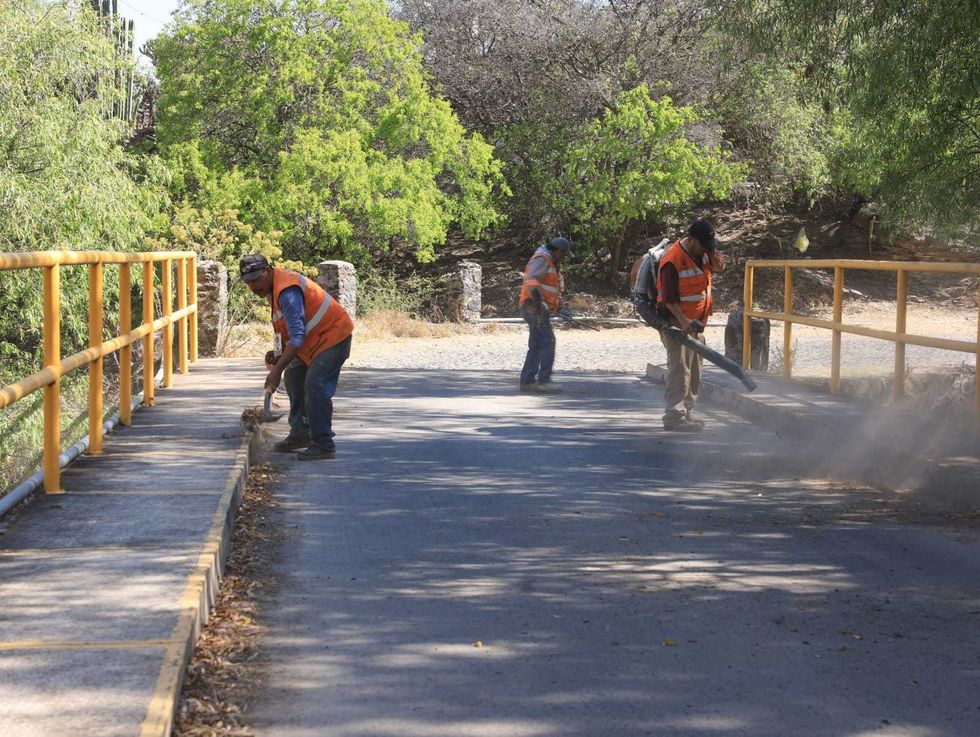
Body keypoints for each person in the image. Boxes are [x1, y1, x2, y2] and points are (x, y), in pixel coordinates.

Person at [240, 254, 354, 460]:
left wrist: (276, 371)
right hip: (316, 340)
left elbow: (298, 335)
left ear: (268, 270)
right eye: (248, 282)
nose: (253, 286)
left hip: (334, 336)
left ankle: (323, 443)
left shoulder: (286, 291)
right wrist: (278, 354)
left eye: (256, 279)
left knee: (315, 385)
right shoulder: (273, 290)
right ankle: (301, 433)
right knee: (293, 376)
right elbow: (287, 328)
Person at [655, 219, 725, 431]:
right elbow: (668, 299)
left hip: (697, 324)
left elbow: (720, 268)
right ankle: (674, 416)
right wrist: (683, 322)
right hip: (677, 323)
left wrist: (713, 256)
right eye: (703, 244)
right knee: (679, 368)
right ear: (691, 239)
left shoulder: (703, 253)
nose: (706, 248)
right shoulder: (672, 260)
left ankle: (687, 413)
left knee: (695, 370)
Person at [518, 237, 572, 392]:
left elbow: (549, 291)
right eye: (563, 254)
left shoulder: (548, 262)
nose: (563, 258)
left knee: (536, 344)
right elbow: (531, 281)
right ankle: (543, 381)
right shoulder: (542, 260)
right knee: (548, 341)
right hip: (534, 307)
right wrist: (539, 302)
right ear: (558, 250)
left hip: (535, 307)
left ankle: (527, 381)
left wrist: (560, 309)